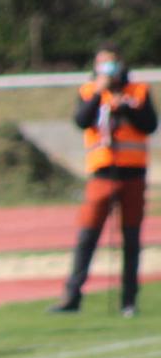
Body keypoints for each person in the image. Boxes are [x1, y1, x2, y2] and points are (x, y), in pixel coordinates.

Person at [50, 43, 156, 317]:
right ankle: (72, 296)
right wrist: (100, 92)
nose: (107, 69)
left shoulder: (139, 91)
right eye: (102, 64)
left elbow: (149, 124)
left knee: (130, 240)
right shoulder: (89, 91)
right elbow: (82, 120)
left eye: (111, 63)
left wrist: (127, 108)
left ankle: (129, 300)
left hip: (133, 174)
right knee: (87, 236)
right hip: (102, 174)